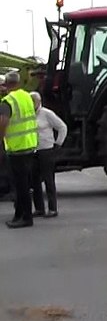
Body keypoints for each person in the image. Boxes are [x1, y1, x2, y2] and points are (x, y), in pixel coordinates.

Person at [0, 71, 39, 228]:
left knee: (20, 186)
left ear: (7, 83)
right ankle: (19, 215)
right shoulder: (27, 96)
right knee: (24, 184)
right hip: (29, 145)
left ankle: (26, 218)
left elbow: (3, 122)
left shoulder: (7, 101)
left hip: (16, 148)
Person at [29, 91, 66, 218]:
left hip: (46, 150)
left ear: (39, 102)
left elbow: (62, 127)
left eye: (33, 101)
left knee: (48, 180)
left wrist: (58, 143)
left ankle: (52, 208)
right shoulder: (28, 115)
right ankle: (39, 208)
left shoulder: (46, 114)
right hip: (33, 150)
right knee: (34, 181)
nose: (32, 104)